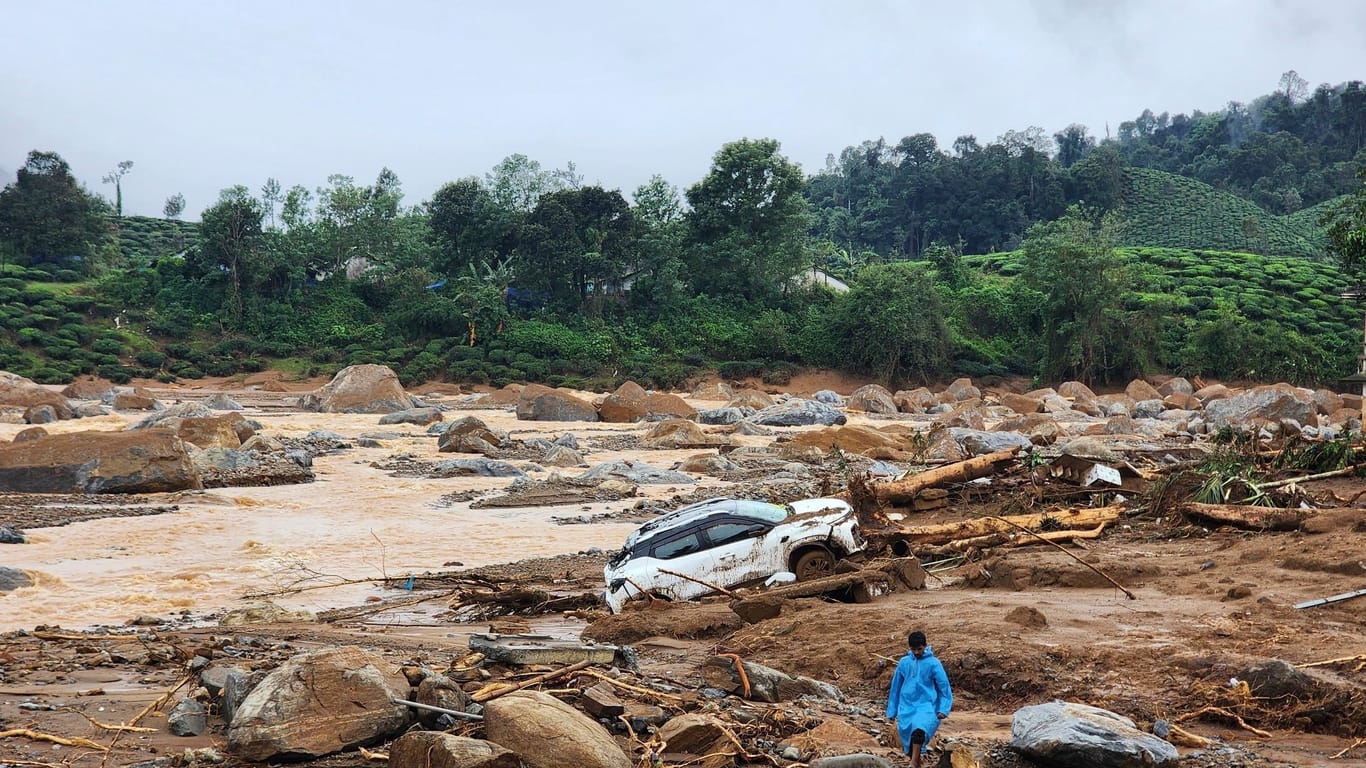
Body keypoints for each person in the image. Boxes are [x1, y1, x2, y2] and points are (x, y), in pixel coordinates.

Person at [885, 629, 953, 768]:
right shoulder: (904, 663)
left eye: (919, 649)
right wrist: (892, 711)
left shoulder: (934, 664)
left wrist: (944, 708)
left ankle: (913, 762)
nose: (916, 652)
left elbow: (944, 688)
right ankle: (916, 761)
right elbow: (895, 688)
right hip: (906, 706)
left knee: (919, 730)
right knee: (909, 737)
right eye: (913, 649)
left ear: (925, 646)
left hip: (927, 706)